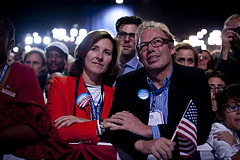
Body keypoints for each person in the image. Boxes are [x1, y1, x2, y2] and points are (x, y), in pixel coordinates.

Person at [104, 21, 214, 159]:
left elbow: (201, 128)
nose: (150, 49)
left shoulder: (194, 78)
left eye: (157, 42)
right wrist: (141, 144)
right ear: (139, 56)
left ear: (172, 48)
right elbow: (116, 129)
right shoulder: (127, 83)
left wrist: (149, 130)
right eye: (143, 46)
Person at [0, 17, 76, 160]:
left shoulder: (24, 74)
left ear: (10, 44)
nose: (53, 59)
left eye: (58, 56)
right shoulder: (36, 77)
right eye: (50, 56)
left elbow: (36, 127)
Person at [46, 30, 120, 159]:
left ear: (111, 61)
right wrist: (102, 125)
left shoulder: (115, 92)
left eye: (107, 52)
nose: (100, 57)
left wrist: (85, 123)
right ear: (83, 53)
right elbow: (57, 131)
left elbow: (120, 133)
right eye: (94, 49)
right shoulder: (60, 84)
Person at [206, 83, 240, 159]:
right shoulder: (218, 130)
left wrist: (236, 144)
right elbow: (228, 157)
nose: (239, 111)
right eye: (232, 106)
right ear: (219, 115)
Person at [215, 14, 240, 84]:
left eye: (239, 29)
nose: (235, 34)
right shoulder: (223, 57)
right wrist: (225, 49)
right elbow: (219, 82)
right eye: (231, 31)